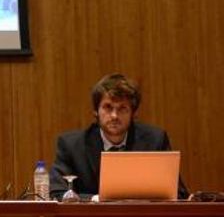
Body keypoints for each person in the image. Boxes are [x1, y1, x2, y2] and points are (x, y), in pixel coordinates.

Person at [50, 73, 188, 199]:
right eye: (108, 107)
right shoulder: (71, 145)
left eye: (122, 108)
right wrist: (95, 200)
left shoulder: (155, 140)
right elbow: (56, 193)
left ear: (133, 114)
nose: (114, 116)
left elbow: (179, 194)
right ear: (96, 112)